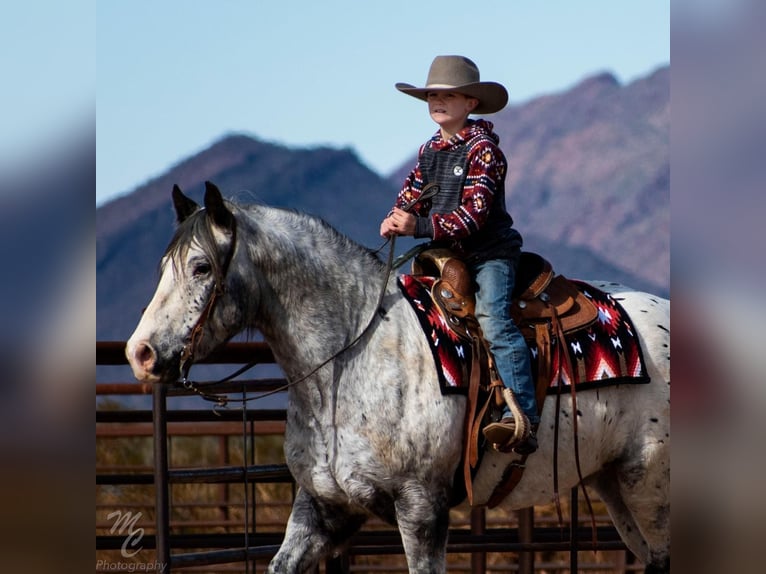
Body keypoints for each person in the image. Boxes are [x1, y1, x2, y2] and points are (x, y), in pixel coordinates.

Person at [380, 55, 538, 454]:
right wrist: (397, 217)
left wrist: (418, 227)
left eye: (448, 95)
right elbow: (411, 195)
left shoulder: (484, 151)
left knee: (493, 319)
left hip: (490, 254)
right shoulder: (430, 149)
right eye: (432, 94)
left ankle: (523, 416)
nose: (437, 101)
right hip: (446, 253)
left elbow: (475, 215)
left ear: (470, 103)